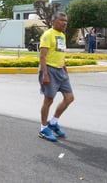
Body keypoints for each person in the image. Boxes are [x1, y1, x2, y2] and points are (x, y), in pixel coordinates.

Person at [38, 12, 74, 142]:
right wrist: (45, 74)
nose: (64, 23)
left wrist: (65, 70)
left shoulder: (62, 36)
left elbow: (60, 54)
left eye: (66, 21)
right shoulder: (47, 35)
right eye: (62, 20)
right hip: (49, 69)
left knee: (69, 98)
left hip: (60, 70)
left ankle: (53, 122)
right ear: (53, 21)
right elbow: (42, 56)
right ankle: (43, 128)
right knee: (49, 100)